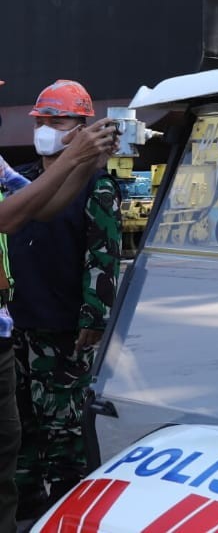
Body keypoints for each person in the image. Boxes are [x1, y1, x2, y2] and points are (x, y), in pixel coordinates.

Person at [7, 81, 122, 519]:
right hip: (17, 321)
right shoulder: (22, 180)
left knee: (64, 426)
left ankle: (67, 509)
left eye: (58, 121)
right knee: (19, 424)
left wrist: (95, 314)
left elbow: (103, 254)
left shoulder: (97, 185)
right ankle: (26, 501)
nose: (47, 129)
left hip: (63, 325)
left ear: (81, 128)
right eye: (43, 121)